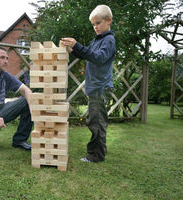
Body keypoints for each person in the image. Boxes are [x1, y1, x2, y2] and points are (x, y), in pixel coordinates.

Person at [60, 5, 116, 162]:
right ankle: (98, 152)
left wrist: (77, 44)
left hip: (100, 88)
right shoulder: (98, 40)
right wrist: (71, 49)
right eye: (93, 24)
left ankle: (95, 156)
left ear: (108, 21)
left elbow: (98, 57)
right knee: (95, 120)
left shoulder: (108, 41)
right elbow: (87, 55)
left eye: (98, 23)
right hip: (95, 88)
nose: (95, 27)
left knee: (96, 122)